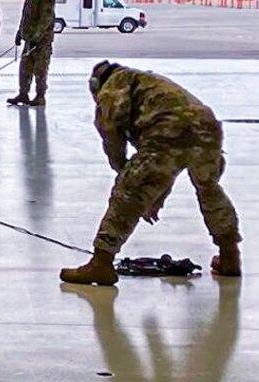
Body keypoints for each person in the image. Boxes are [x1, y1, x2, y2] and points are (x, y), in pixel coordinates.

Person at [60, 60, 242, 286]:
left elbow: (111, 134)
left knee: (127, 194)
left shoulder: (112, 86)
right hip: (206, 125)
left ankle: (101, 263)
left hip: (167, 130)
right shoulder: (144, 82)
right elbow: (171, 164)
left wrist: (126, 174)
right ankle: (229, 255)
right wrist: (154, 195)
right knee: (209, 189)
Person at [8, 0, 55, 107]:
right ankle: (23, 94)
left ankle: (40, 96)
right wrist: (19, 33)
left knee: (40, 70)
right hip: (29, 42)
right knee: (24, 69)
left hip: (42, 43)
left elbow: (45, 21)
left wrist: (36, 37)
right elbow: (25, 18)